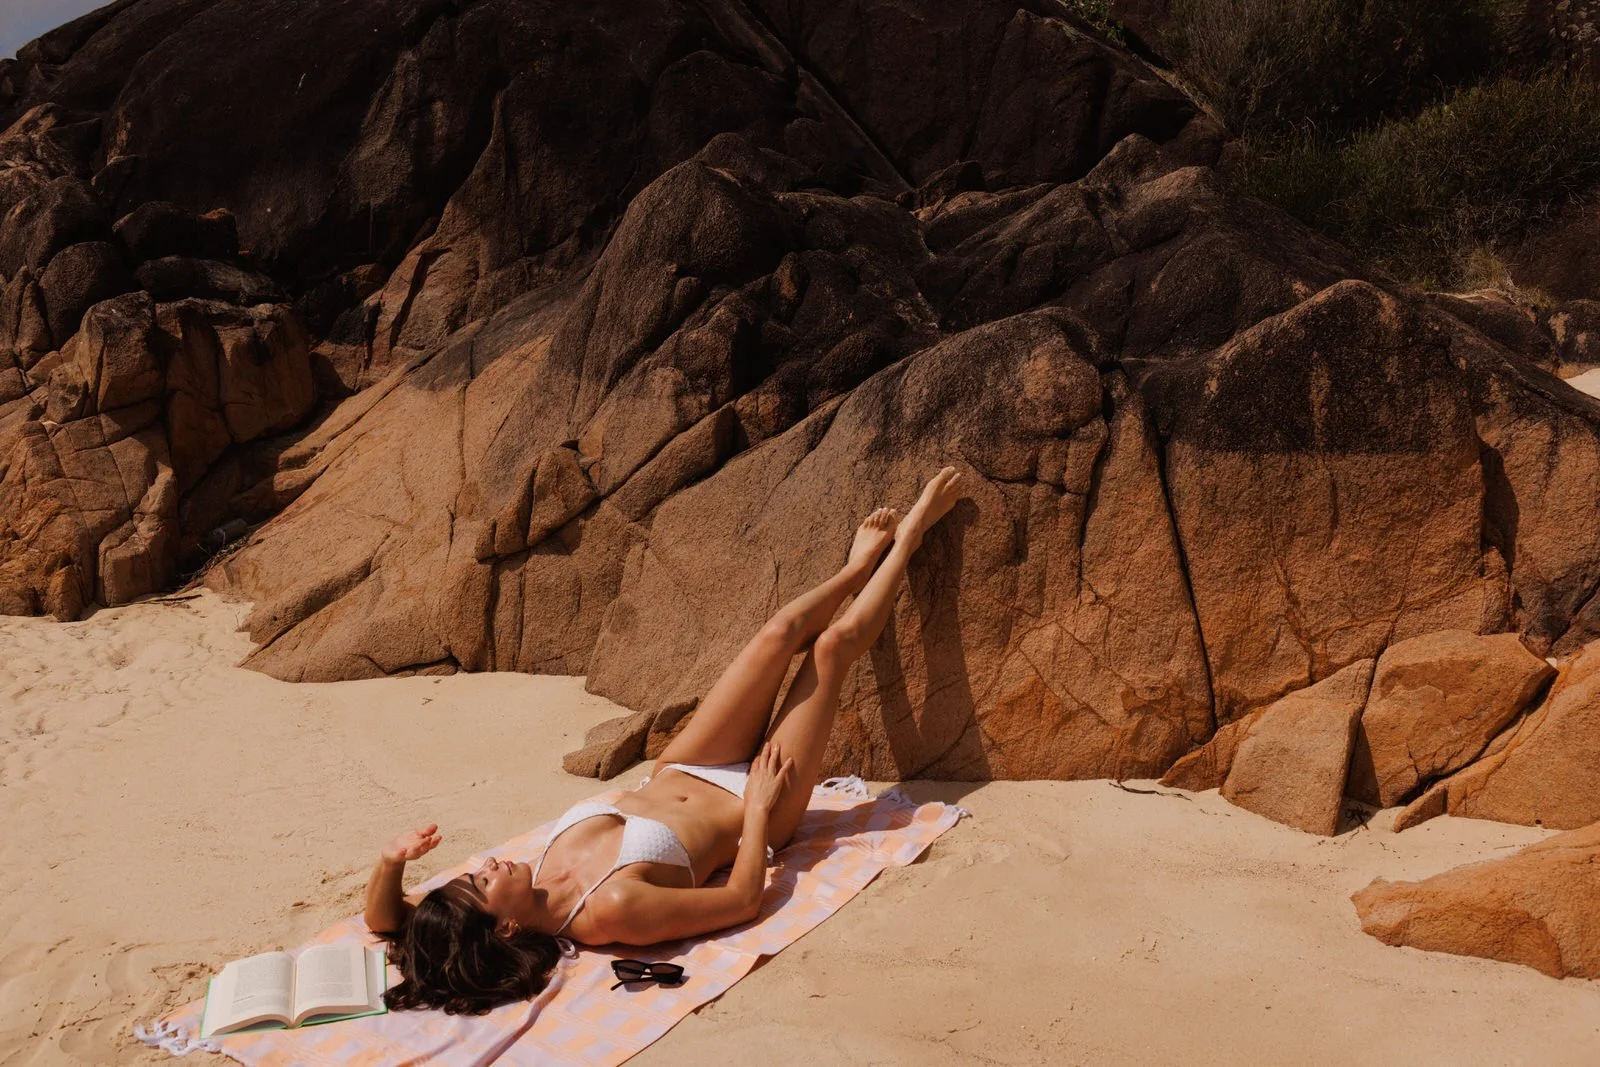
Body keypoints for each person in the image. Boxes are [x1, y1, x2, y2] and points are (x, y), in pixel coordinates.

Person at [363, 467, 966, 1014]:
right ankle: (911, 535)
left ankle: (857, 569)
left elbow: (387, 920)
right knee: (830, 650)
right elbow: (740, 901)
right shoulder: (610, 913)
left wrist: (392, 860)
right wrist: (758, 813)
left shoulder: (513, 889)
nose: (485, 863)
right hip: (756, 800)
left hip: (685, 764)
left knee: (779, 633)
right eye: (481, 882)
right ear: (507, 931)